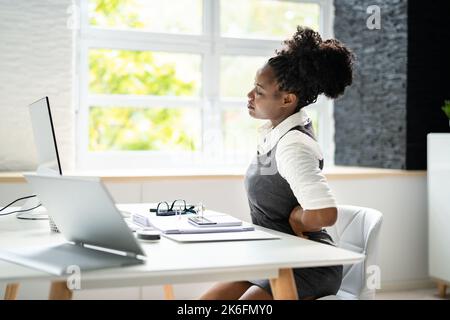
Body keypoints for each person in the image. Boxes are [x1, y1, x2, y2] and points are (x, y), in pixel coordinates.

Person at [199, 26, 354, 300]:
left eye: (259, 91)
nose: (249, 96)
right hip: (274, 257)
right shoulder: (275, 134)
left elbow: (325, 214)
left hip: (309, 265)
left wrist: (299, 218)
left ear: (287, 99)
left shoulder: (293, 146)